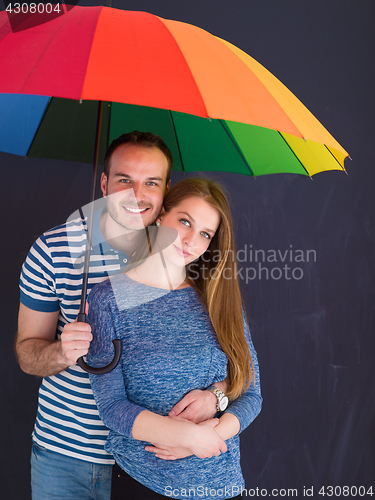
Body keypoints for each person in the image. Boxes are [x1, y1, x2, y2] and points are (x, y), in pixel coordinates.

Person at [16, 132, 226, 500]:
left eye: (151, 183)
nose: (136, 194)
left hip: (152, 461)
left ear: (166, 191)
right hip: (67, 456)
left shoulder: (186, 254)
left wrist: (217, 396)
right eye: (124, 180)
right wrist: (60, 352)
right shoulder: (54, 249)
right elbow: (26, 353)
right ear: (104, 183)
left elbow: (231, 360)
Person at [86, 178, 262, 499]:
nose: (191, 240)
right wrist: (186, 436)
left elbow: (251, 391)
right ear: (160, 215)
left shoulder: (217, 300)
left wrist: (212, 427)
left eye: (206, 234)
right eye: (185, 221)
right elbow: (111, 406)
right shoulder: (106, 299)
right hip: (143, 481)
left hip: (221, 484)